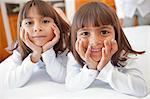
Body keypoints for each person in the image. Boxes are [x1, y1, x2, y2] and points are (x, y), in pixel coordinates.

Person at [65, 2, 148, 97]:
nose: (95, 42)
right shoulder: (74, 55)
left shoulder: (123, 54)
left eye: (104, 32)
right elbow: (71, 86)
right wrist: (91, 68)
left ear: (116, 34)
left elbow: (142, 90)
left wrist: (105, 68)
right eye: (85, 33)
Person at [0, 0, 70, 88]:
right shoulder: (20, 47)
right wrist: (35, 55)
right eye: (29, 23)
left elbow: (62, 77)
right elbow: (10, 83)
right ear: (21, 29)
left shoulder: (63, 43)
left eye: (45, 21)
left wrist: (47, 51)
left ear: (56, 25)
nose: (37, 28)